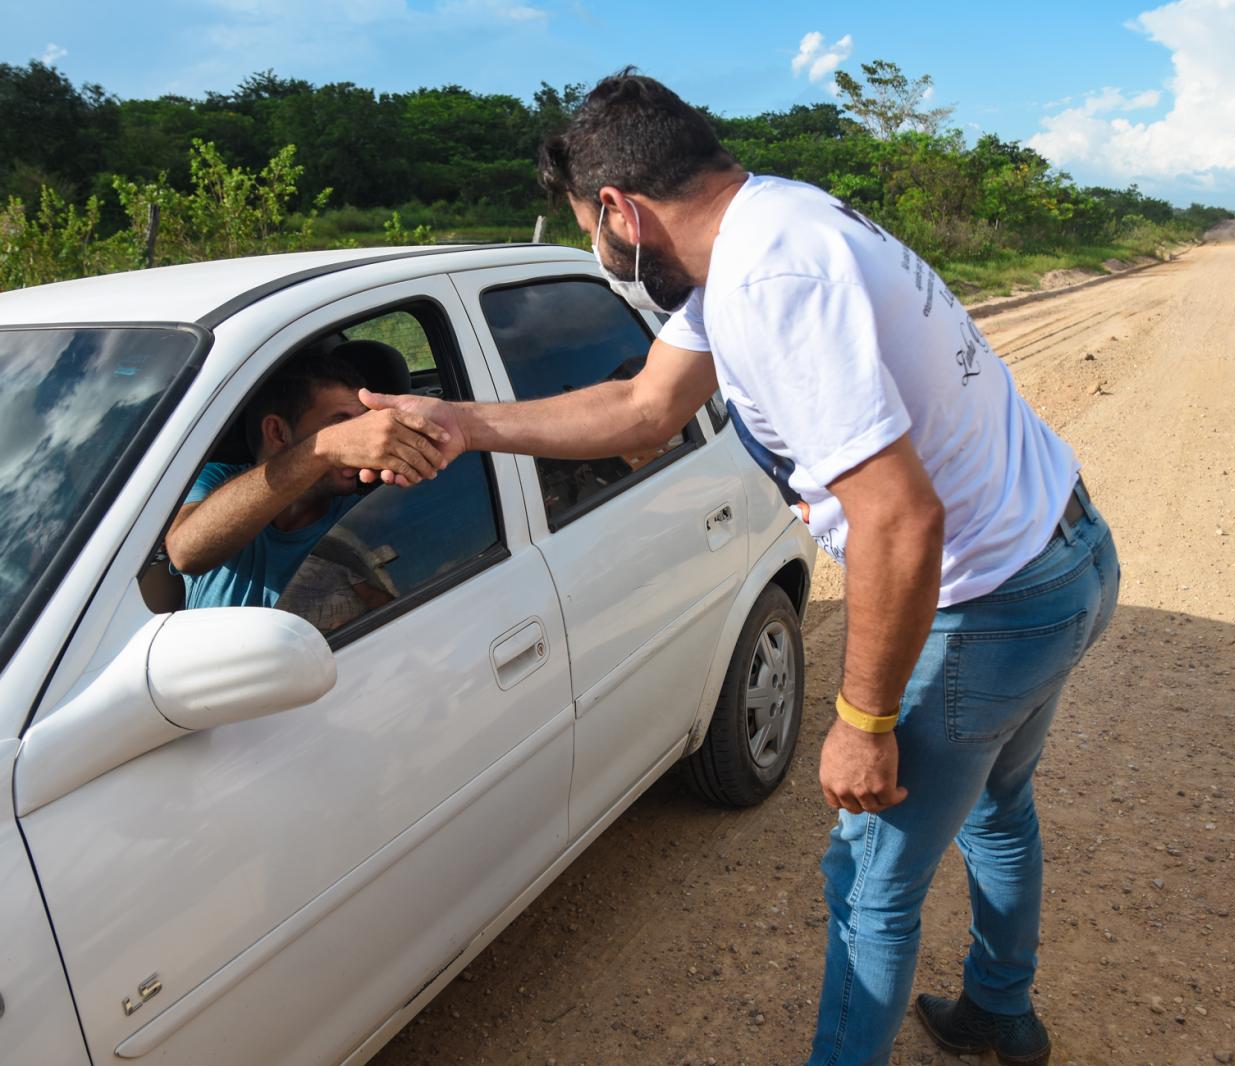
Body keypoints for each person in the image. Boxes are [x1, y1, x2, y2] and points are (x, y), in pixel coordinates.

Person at [360, 70, 1120, 1066]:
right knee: (996, 806)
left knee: (870, 882)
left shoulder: (770, 278)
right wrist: (462, 424)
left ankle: (962, 1022)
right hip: (1063, 553)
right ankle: (1001, 1014)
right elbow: (643, 410)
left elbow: (898, 519)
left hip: (991, 603)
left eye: (589, 228)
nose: (601, 253)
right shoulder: (764, 229)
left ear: (621, 210)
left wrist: (864, 722)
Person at [166, 345, 447, 610]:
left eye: (361, 424)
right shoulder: (217, 479)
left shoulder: (360, 519)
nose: (360, 443)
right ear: (277, 433)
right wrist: (328, 447)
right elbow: (186, 552)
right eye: (340, 424)